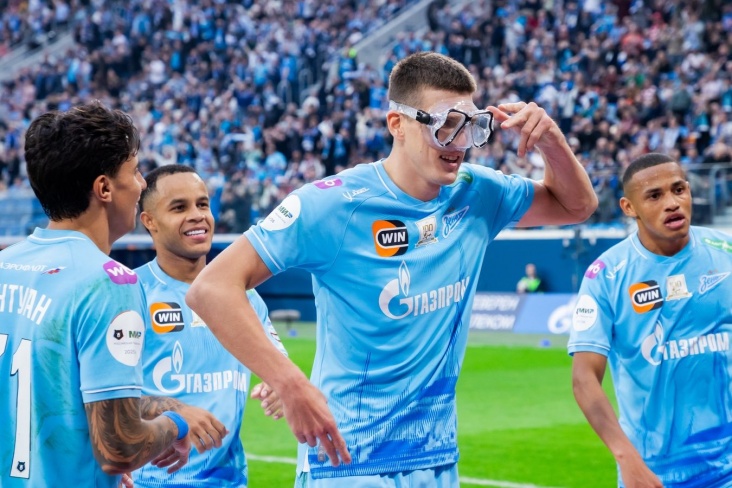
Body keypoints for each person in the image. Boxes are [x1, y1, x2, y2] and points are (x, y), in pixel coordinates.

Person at [187, 51, 597, 486]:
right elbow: (211, 288)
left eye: (470, 126)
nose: (458, 142)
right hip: (345, 461)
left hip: (436, 459)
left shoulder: (478, 193)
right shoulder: (332, 204)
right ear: (397, 124)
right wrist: (289, 383)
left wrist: (551, 140)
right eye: (445, 124)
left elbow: (577, 206)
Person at [0, 101, 190, 487]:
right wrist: (177, 423)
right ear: (104, 188)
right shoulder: (109, 283)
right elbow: (120, 449)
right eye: (134, 171)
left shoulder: (5, 265)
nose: (142, 184)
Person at [569, 152, 732, 488]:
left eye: (678, 190)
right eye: (655, 196)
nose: (672, 203)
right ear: (629, 207)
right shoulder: (606, 276)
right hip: (653, 473)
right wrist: (627, 459)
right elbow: (584, 378)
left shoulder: (725, 251)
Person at [132, 164, 285, 487]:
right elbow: (103, 400)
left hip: (230, 480)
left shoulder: (244, 295)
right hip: (152, 481)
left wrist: (278, 385)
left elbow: (279, 363)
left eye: (202, 204)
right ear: (149, 221)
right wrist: (175, 414)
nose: (197, 215)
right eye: (179, 207)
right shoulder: (129, 294)